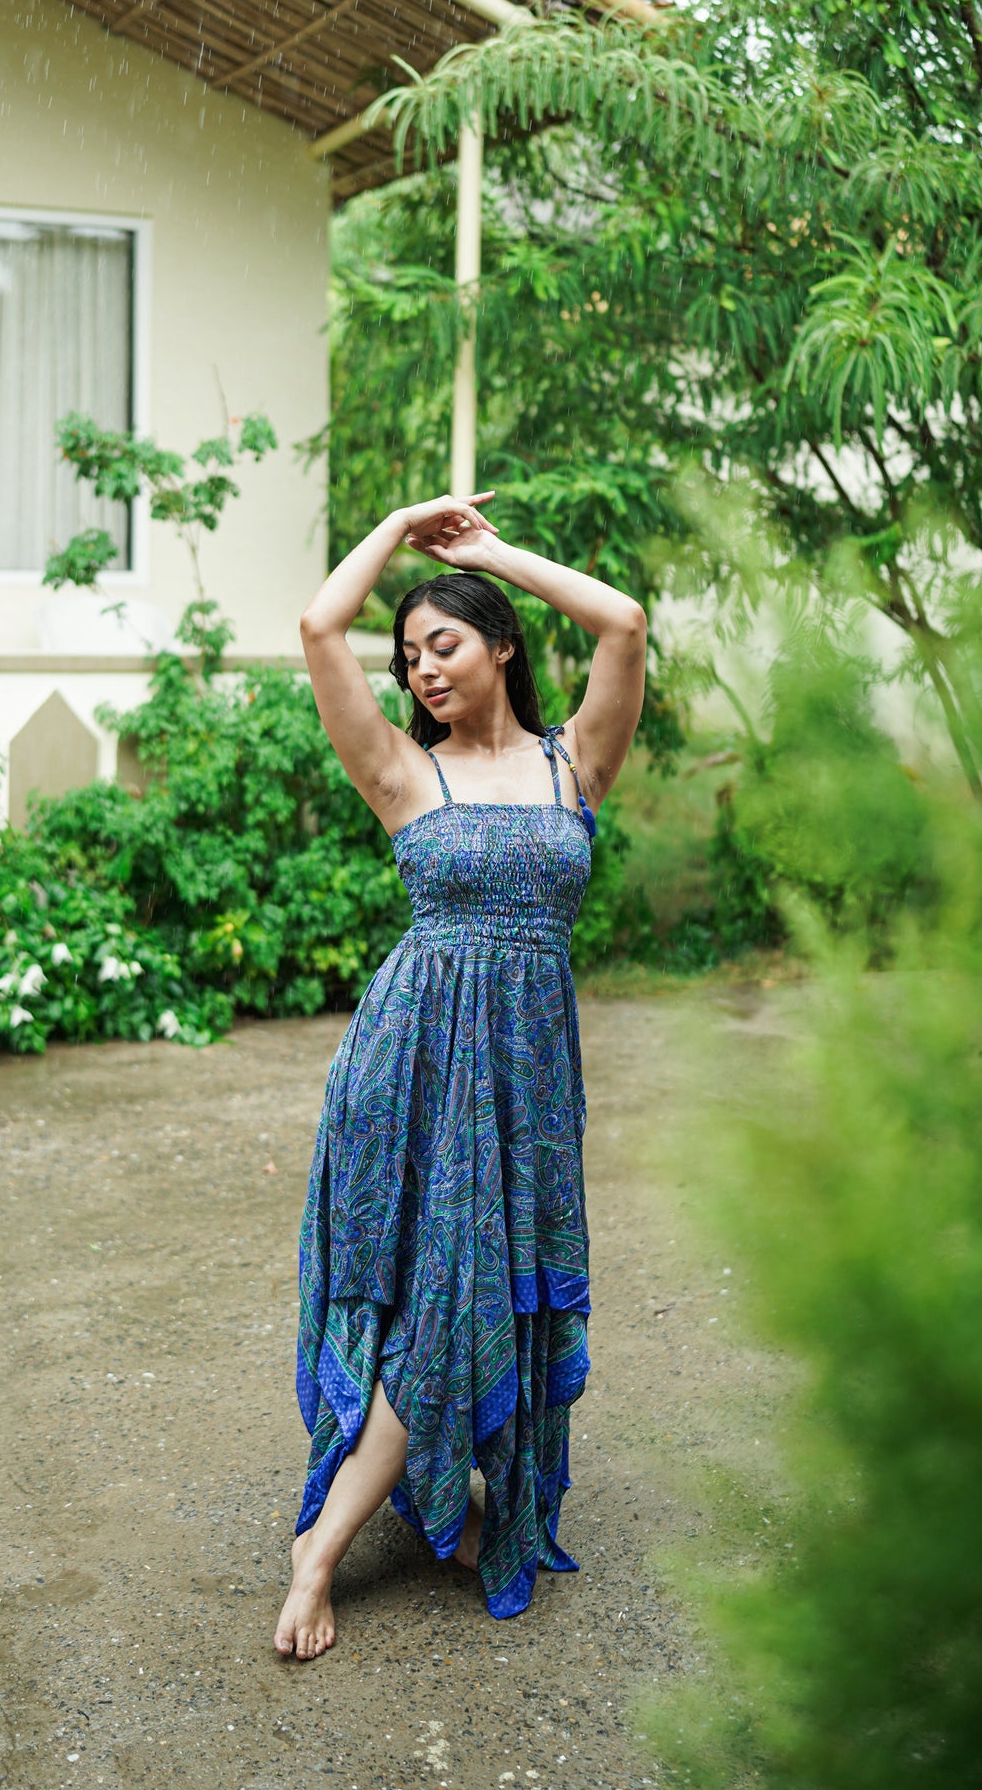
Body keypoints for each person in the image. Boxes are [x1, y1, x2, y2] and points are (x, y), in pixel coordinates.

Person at [274, 491, 647, 1660]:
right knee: (438, 1298)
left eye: (442, 643)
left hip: (528, 1079)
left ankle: (463, 1488)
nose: (421, 669)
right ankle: (320, 1549)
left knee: (498, 1287)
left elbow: (625, 622)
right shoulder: (397, 770)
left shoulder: (570, 763)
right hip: (412, 1069)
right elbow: (316, 627)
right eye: (410, 657)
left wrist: (486, 554)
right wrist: (392, 525)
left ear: (499, 645)